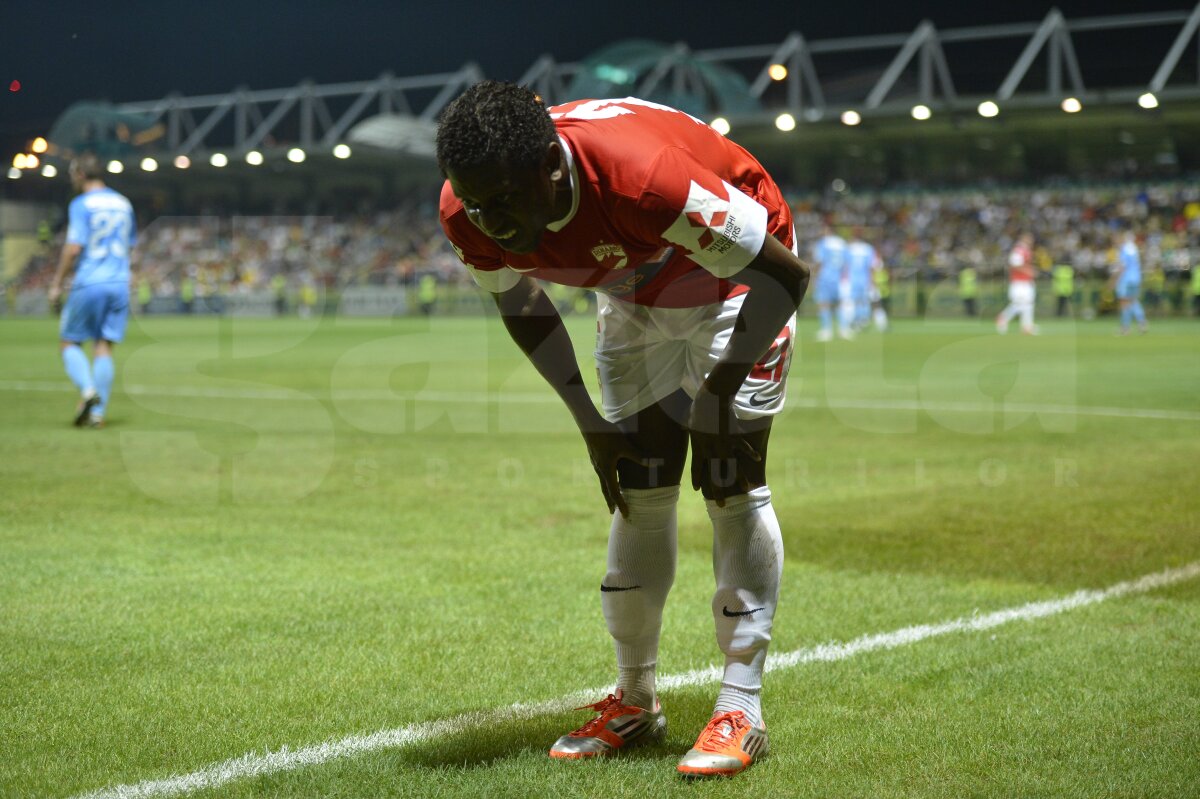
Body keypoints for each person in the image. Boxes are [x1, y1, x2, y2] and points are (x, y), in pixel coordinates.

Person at [437, 82, 809, 778]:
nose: (490, 220)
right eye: (477, 203)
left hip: (740, 282)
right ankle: (635, 696)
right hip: (636, 287)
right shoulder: (466, 205)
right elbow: (522, 304)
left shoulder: (643, 180)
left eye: (506, 201)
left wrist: (719, 392)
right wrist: (589, 423)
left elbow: (784, 276)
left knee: (727, 477)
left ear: (552, 166)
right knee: (638, 484)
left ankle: (741, 705)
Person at [47, 153, 136, 428]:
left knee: (69, 342)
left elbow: (74, 247)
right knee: (104, 347)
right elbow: (130, 245)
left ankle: (88, 391)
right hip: (120, 282)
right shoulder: (123, 203)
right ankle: (97, 415)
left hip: (90, 280)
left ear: (81, 174)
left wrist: (56, 284)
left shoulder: (81, 204)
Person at [996, 232, 1038, 335]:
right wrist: (1028, 271)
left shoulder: (1025, 250)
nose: (1031, 241)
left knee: (1026, 304)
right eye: (1029, 238)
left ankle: (1026, 326)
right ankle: (1006, 318)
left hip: (1025, 281)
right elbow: (1014, 265)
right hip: (1019, 282)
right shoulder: (1019, 250)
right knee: (1022, 304)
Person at [812, 223, 847, 341]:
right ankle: (843, 329)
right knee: (839, 304)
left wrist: (814, 275)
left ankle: (827, 330)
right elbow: (846, 262)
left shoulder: (823, 243)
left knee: (824, 303)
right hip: (839, 278)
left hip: (825, 277)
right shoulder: (842, 243)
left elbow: (819, 261)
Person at [1111, 232, 1148, 335]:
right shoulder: (1134, 249)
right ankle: (1142, 322)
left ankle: (1125, 328)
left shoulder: (1124, 250)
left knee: (1124, 302)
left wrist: (1114, 280)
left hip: (1126, 279)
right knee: (1133, 301)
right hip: (1136, 278)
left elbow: (1122, 267)